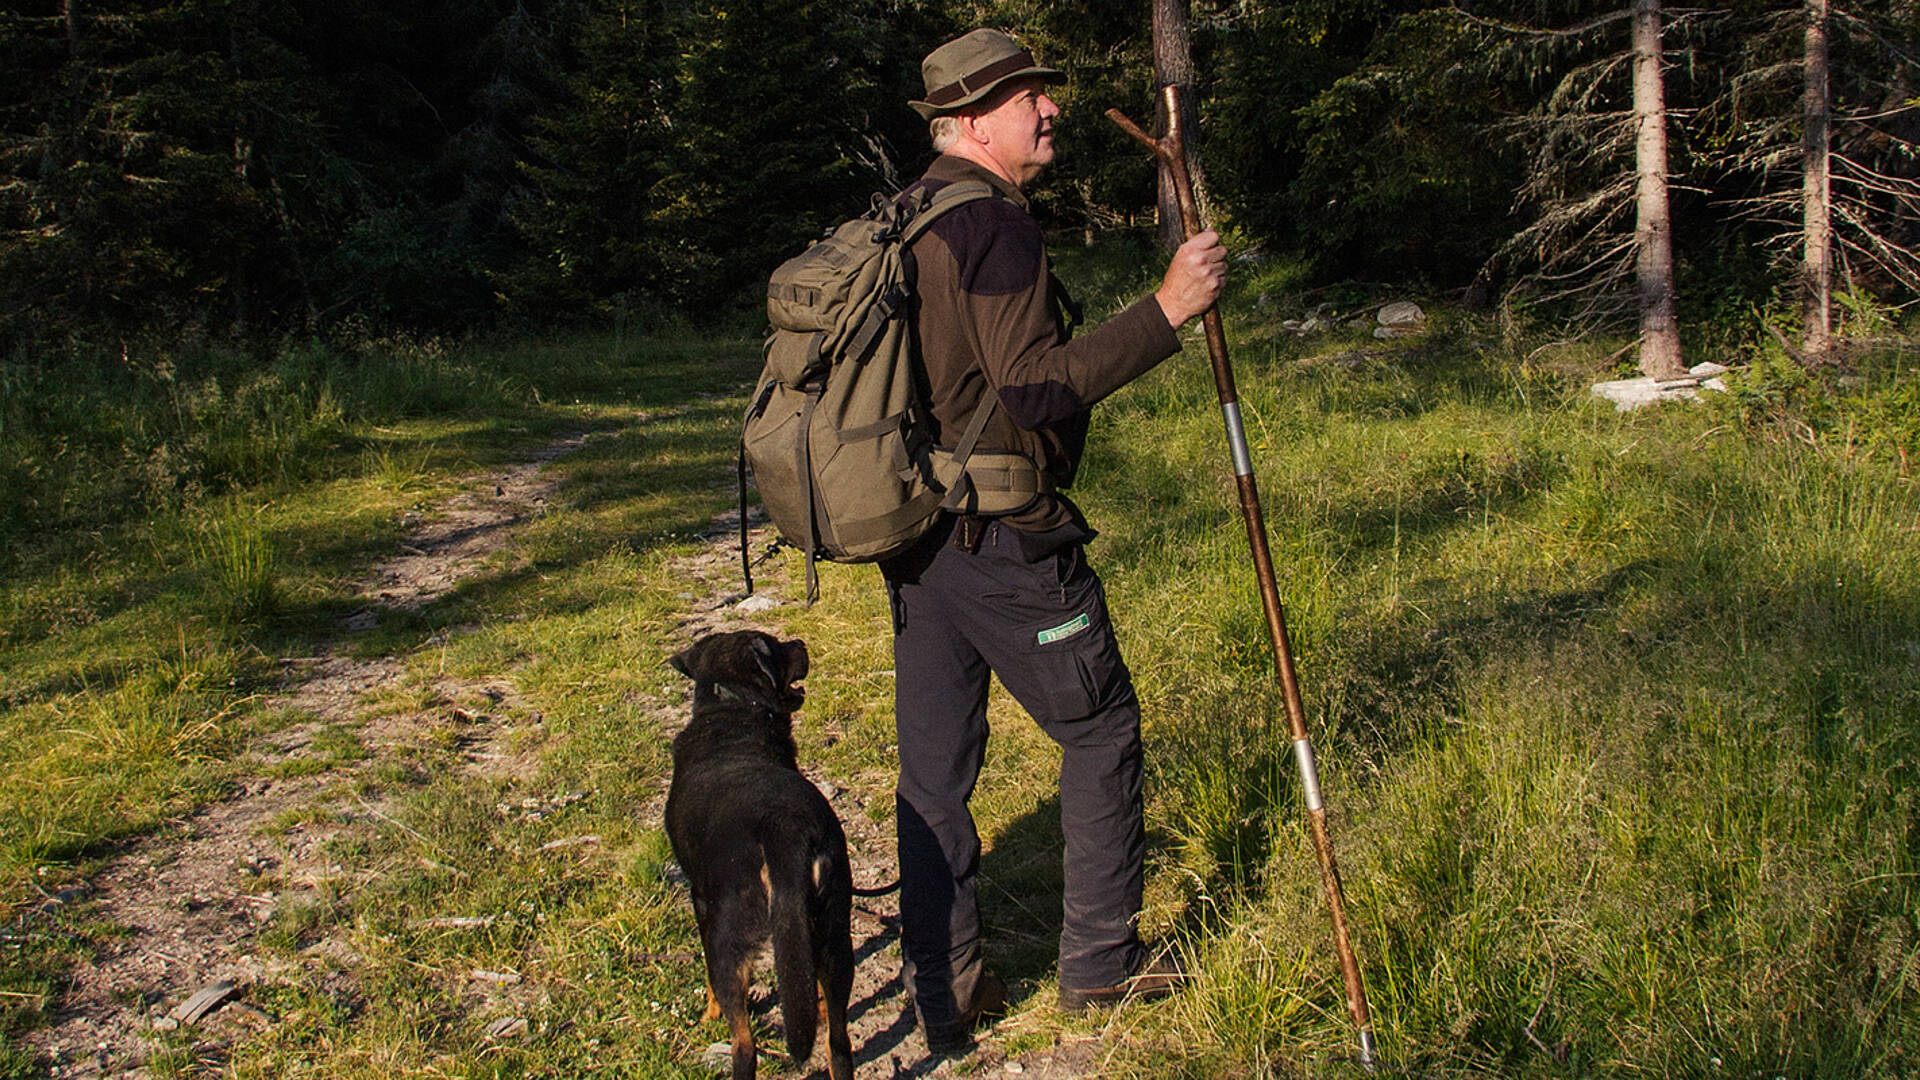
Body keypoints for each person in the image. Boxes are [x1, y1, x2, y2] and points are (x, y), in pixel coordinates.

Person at [884, 27, 1228, 1053]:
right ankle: (1100, 969)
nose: (1052, 108)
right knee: (1102, 731)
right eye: (1029, 95)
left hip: (917, 535)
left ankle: (944, 993)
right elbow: (1033, 386)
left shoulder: (909, 213)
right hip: (1001, 541)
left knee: (934, 774)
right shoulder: (991, 225)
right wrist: (1167, 310)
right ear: (972, 121)